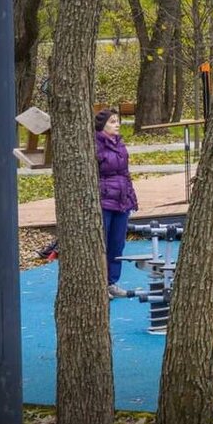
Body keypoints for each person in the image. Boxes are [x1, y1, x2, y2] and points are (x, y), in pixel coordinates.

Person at [95, 109, 138, 299]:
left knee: (117, 242)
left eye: (117, 121)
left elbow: (125, 172)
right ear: (103, 126)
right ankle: (99, 282)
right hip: (105, 197)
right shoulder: (96, 144)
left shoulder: (119, 144)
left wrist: (131, 197)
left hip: (121, 196)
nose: (117, 124)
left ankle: (112, 281)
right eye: (112, 122)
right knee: (102, 240)